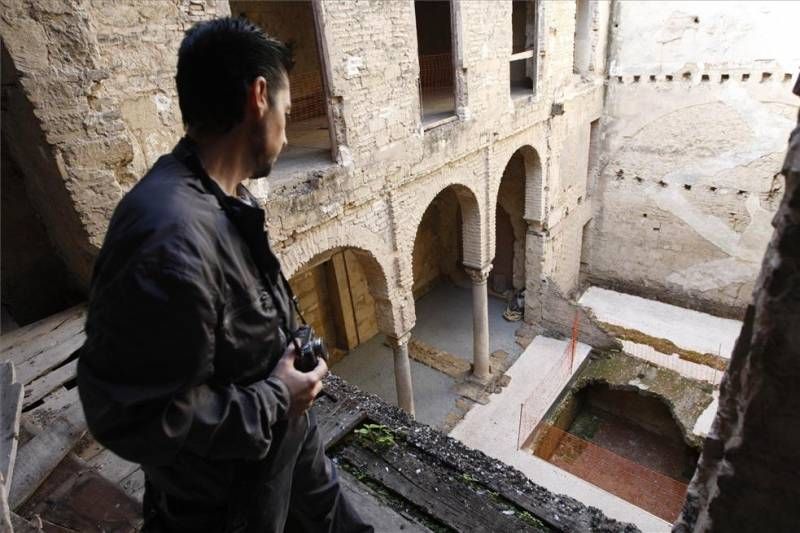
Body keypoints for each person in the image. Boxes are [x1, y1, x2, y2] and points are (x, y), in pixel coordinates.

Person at [77, 17, 373, 533]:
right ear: (259, 97)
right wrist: (276, 397)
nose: (286, 128)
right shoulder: (167, 237)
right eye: (285, 109)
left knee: (334, 515)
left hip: (284, 441)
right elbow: (129, 415)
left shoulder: (220, 196)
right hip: (227, 499)